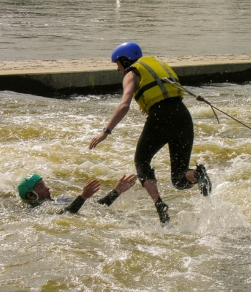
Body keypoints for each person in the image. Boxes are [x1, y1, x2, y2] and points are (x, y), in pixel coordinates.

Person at [88, 41, 212, 225]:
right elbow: (163, 93)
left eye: (117, 64)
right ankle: (197, 174)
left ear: (125, 60)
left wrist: (105, 131)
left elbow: (124, 105)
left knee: (141, 161)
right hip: (183, 116)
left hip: (162, 117)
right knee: (179, 179)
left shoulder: (131, 73)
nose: (117, 69)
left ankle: (159, 205)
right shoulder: (157, 64)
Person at [17, 173, 137, 214]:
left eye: (44, 184)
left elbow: (96, 207)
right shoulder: (34, 211)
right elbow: (64, 214)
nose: (47, 188)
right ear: (31, 196)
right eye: (41, 187)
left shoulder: (61, 199)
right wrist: (82, 197)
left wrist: (116, 191)